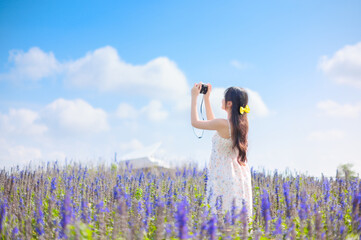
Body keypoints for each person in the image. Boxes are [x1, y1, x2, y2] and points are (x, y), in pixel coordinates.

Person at [190, 82, 253, 221]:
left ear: (229, 104)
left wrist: (194, 97)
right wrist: (206, 99)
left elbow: (195, 122)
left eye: (224, 98)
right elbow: (213, 122)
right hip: (238, 175)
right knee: (235, 218)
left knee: (220, 216)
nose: (222, 100)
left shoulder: (223, 124)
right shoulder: (240, 125)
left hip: (223, 176)